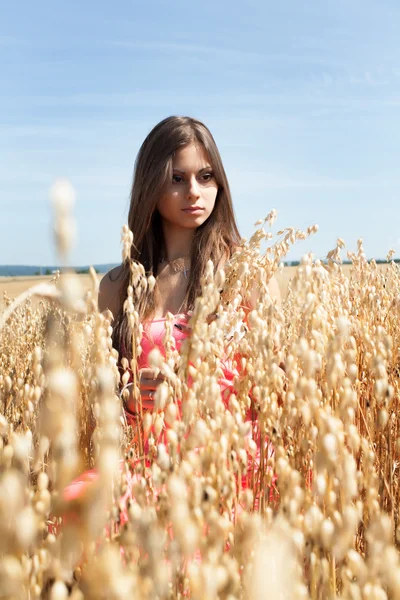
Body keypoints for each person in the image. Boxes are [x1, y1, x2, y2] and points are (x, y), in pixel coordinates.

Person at [98, 115, 281, 417]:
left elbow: (280, 382)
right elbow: (99, 399)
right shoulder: (116, 286)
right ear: (150, 185)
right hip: (151, 460)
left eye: (206, 176)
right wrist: (130, 397)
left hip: (237, 455)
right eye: (177, 178)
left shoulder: (248, 272)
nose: (194, 191)